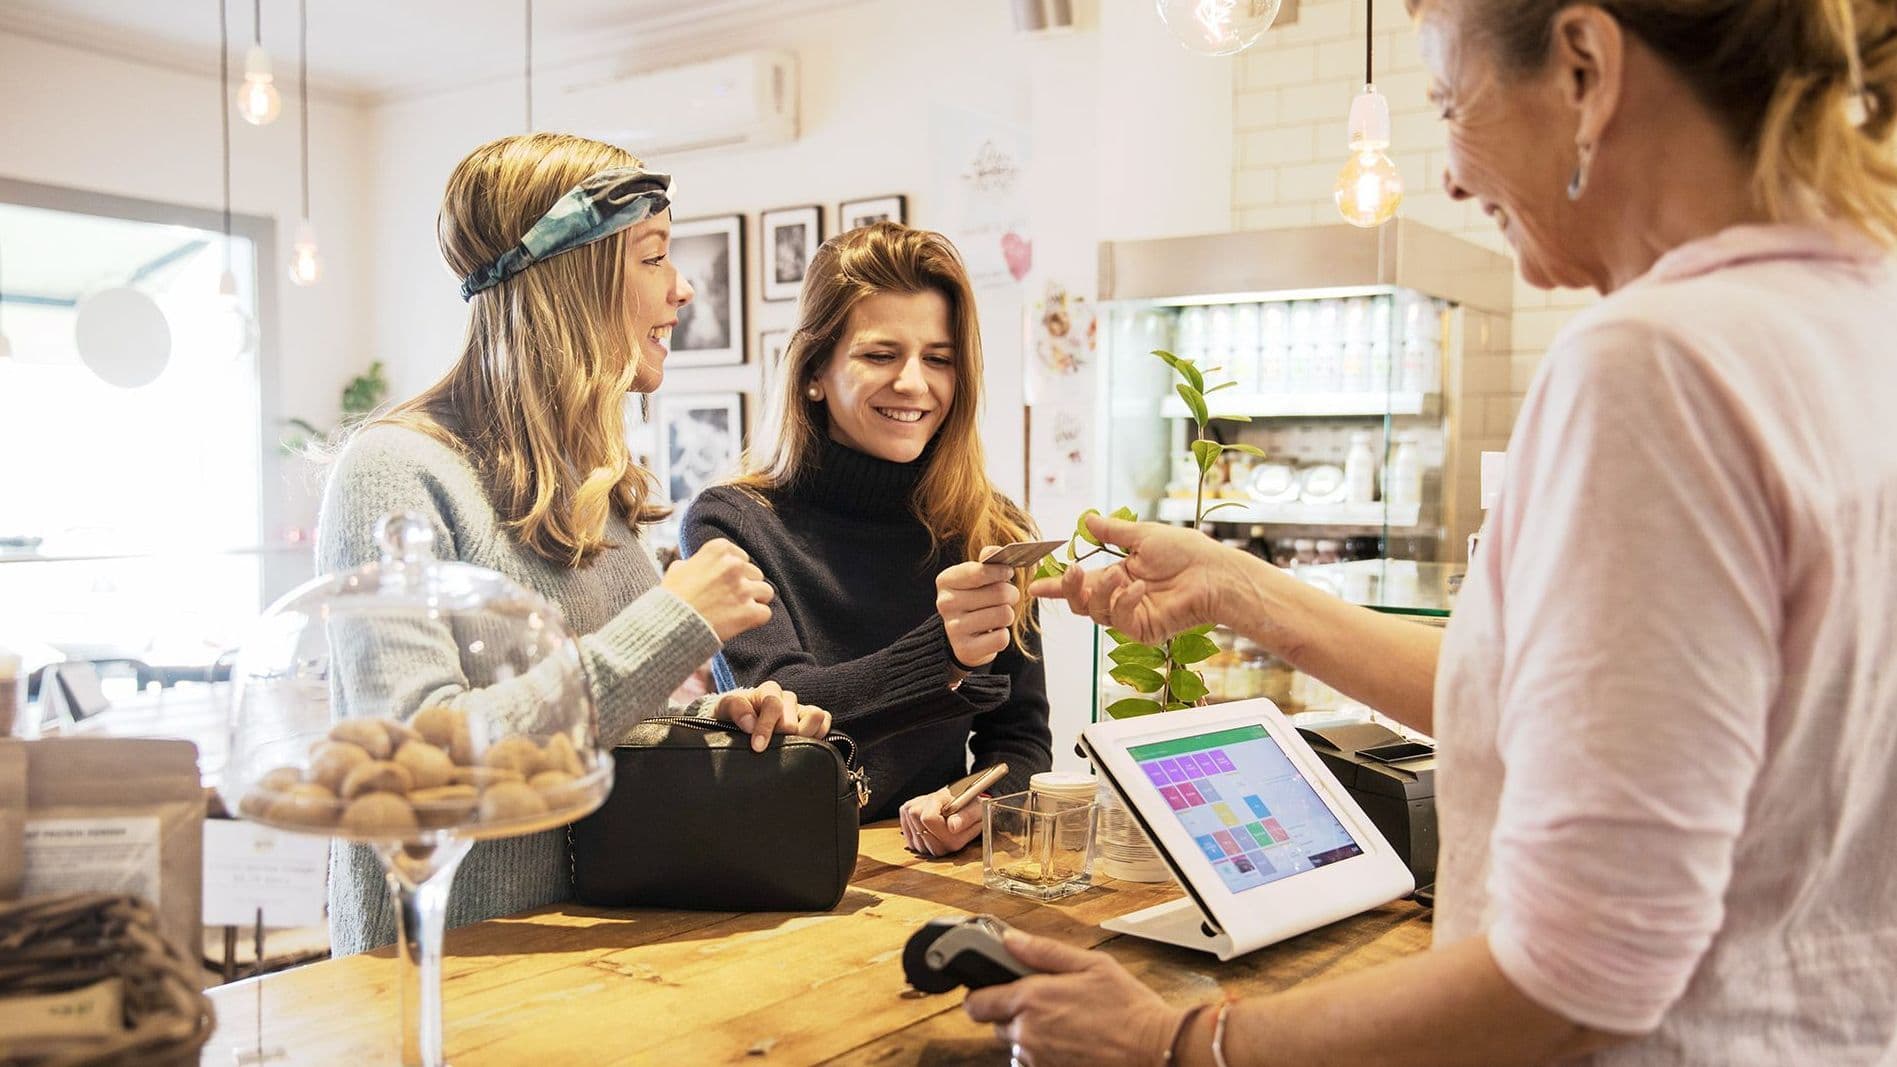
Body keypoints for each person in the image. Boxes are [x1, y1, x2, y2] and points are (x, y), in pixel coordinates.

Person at [966, 0, 1897, 1063]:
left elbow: (1579, 975)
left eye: (1452, 105)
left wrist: (1178, 1040)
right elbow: (1574, 716)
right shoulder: (1862, 326)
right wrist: (1242, 588)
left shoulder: (1657, 366)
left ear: (1585, 68)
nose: (1450, 177)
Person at [317, 133, 830, 955]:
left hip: (587, 972)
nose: (683, 288)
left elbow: (581, 724)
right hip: (436, 988)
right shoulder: (393, 472)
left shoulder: (595, 488)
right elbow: (417, 763)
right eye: (654, 258)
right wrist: (669, 624)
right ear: (572, 277)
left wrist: (703, 719)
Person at [682, 222, 1053, 855]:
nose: (914, 383)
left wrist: (975, 805)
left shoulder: (993, 530)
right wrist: (946, 657)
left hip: (928, 879)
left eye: (938, 359)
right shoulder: (731, 524)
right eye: (881, 355)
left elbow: (1019, 742)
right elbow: (786, 714)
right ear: (813, 372)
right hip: (775, 877)